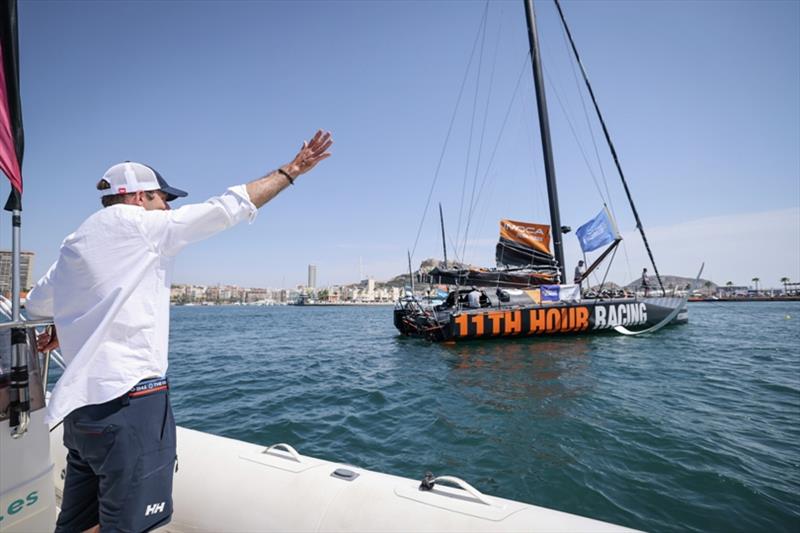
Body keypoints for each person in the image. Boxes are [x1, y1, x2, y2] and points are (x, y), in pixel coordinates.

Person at [25, 130, 332, 533]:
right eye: (163, 198)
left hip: (80, 416)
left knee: (77, 525)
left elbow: (36, 304)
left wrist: (65, 323)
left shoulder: (74, 241)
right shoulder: (145, 227)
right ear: (138, 197)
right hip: (129, 405)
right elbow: (228, 207)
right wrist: (291, 171)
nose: (169, 206)